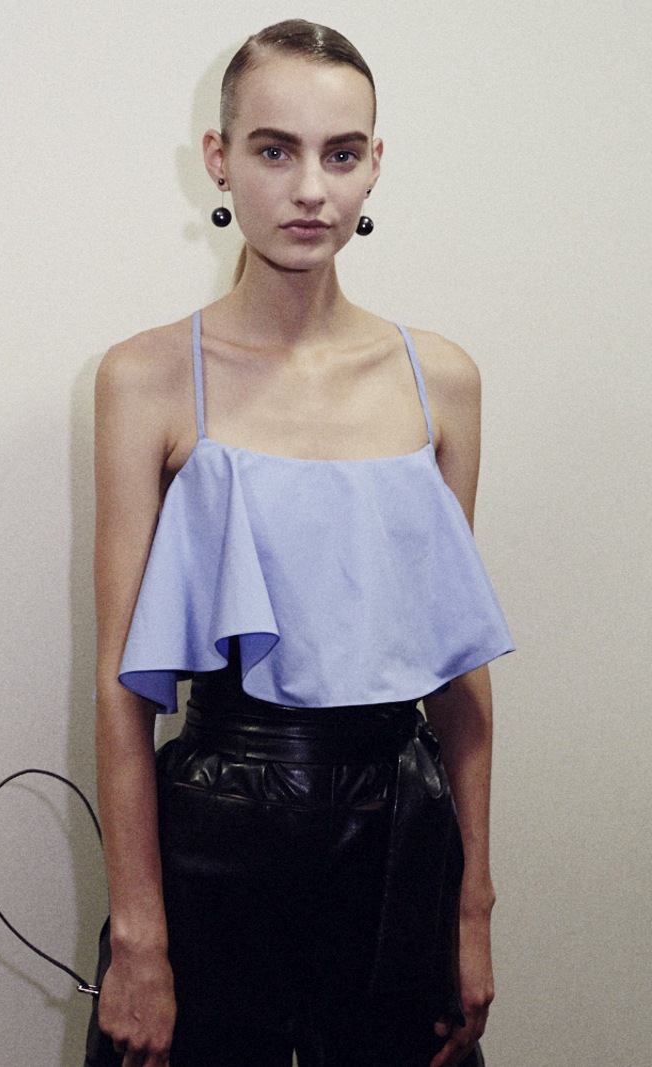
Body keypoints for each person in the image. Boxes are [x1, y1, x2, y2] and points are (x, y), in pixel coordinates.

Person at [85, 19, 512, 1067]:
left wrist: (471, 908)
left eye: (341, 152)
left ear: (375, 164)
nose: (310, 189)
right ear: (218, 159)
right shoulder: (144, 378)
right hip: (212, 845)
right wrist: (138, 935)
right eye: (274, 150)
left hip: (400, 851)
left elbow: (456, 675)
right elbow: (119, 687)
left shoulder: (441, 381)